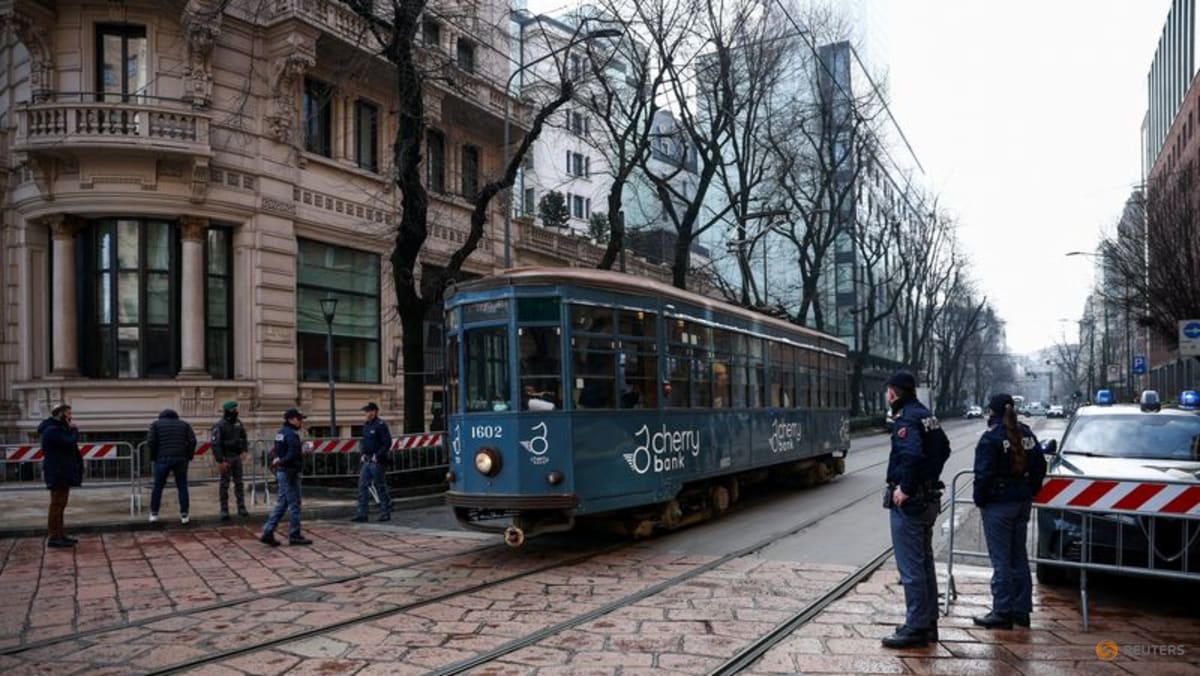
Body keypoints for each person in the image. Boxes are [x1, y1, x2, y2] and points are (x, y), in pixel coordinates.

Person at [881, 370, 952, 649]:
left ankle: (916, 626)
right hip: (927, 498)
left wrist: (907, 488)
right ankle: (928, 621)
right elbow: (944, 449)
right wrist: (929, 477)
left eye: (887, 391)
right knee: (924, 563)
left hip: (912, 503)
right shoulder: (926, 415)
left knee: (911, 567)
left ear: (893, 392)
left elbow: (911, 454)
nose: (887, 395)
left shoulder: (907, 419)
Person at [972, 393, 1048, 630]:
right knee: (1018, 556)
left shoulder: (991, 438)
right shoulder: (1026, 433)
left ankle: (1002, 611)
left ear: (991, 412)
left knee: (1001, 560)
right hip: (1021, 501)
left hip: (998, 503)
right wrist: (1030, 490)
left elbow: (983, 474)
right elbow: (1040, 465)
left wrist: (980, 499)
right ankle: (1021, 610)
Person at [261, 408, 312, 546]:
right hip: (290, 473)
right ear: (291, 419)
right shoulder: (291, 434)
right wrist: (283, 460)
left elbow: (278, 451)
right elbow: (292, 454)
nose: (301, 421)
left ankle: (268, 531)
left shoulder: (281, 433)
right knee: (294, 504)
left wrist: (279, 461)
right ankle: (294, 535)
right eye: (299, 419)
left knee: (282, 503)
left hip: (283, 472)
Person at [38, 403, 82, 549]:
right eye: (68, 414)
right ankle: (54, 536)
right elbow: (68, 442)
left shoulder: (58, 428)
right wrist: (74, 430)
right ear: (60, 414)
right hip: (57, 471)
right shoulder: (52, 430)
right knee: (56, 504)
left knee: (61, 504)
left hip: (62, 470)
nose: (70, 417)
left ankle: (60, 533)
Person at [147, 409, 197, 524]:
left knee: (158, 487)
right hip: (181, 458)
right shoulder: (184, 424)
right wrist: (189, 456)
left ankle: (154, 514)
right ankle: (184, 515)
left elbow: (151, 441)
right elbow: (192, 441)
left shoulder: (156, 424)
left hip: (162, 458)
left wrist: (154, 456)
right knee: (182, 486)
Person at [352, 402, 393, 523]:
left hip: (377, 461)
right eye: (365, 411)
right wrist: (363, 454)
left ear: (374, 412)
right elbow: (365, 442)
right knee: (362, 486)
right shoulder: (366, 425)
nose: (366, 413)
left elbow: (387, 443)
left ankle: (385, 512)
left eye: (368, 411)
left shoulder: (380, 425)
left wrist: (378, 455)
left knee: (380, 486)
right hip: (367, 460)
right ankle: (362, 514)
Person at [211, 400, 249, 521]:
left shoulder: (238, 423)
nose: (236, 411)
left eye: (236, 409)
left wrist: (244, 450)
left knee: (239, 483)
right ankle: (224, 509)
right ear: (227, 411)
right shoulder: (220, 425)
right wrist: (220, 460)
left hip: (236, 457)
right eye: (234, 409)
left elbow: (244, 437)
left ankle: (241, 507)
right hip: (226, 457)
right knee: (224, 484)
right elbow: (216, 444)